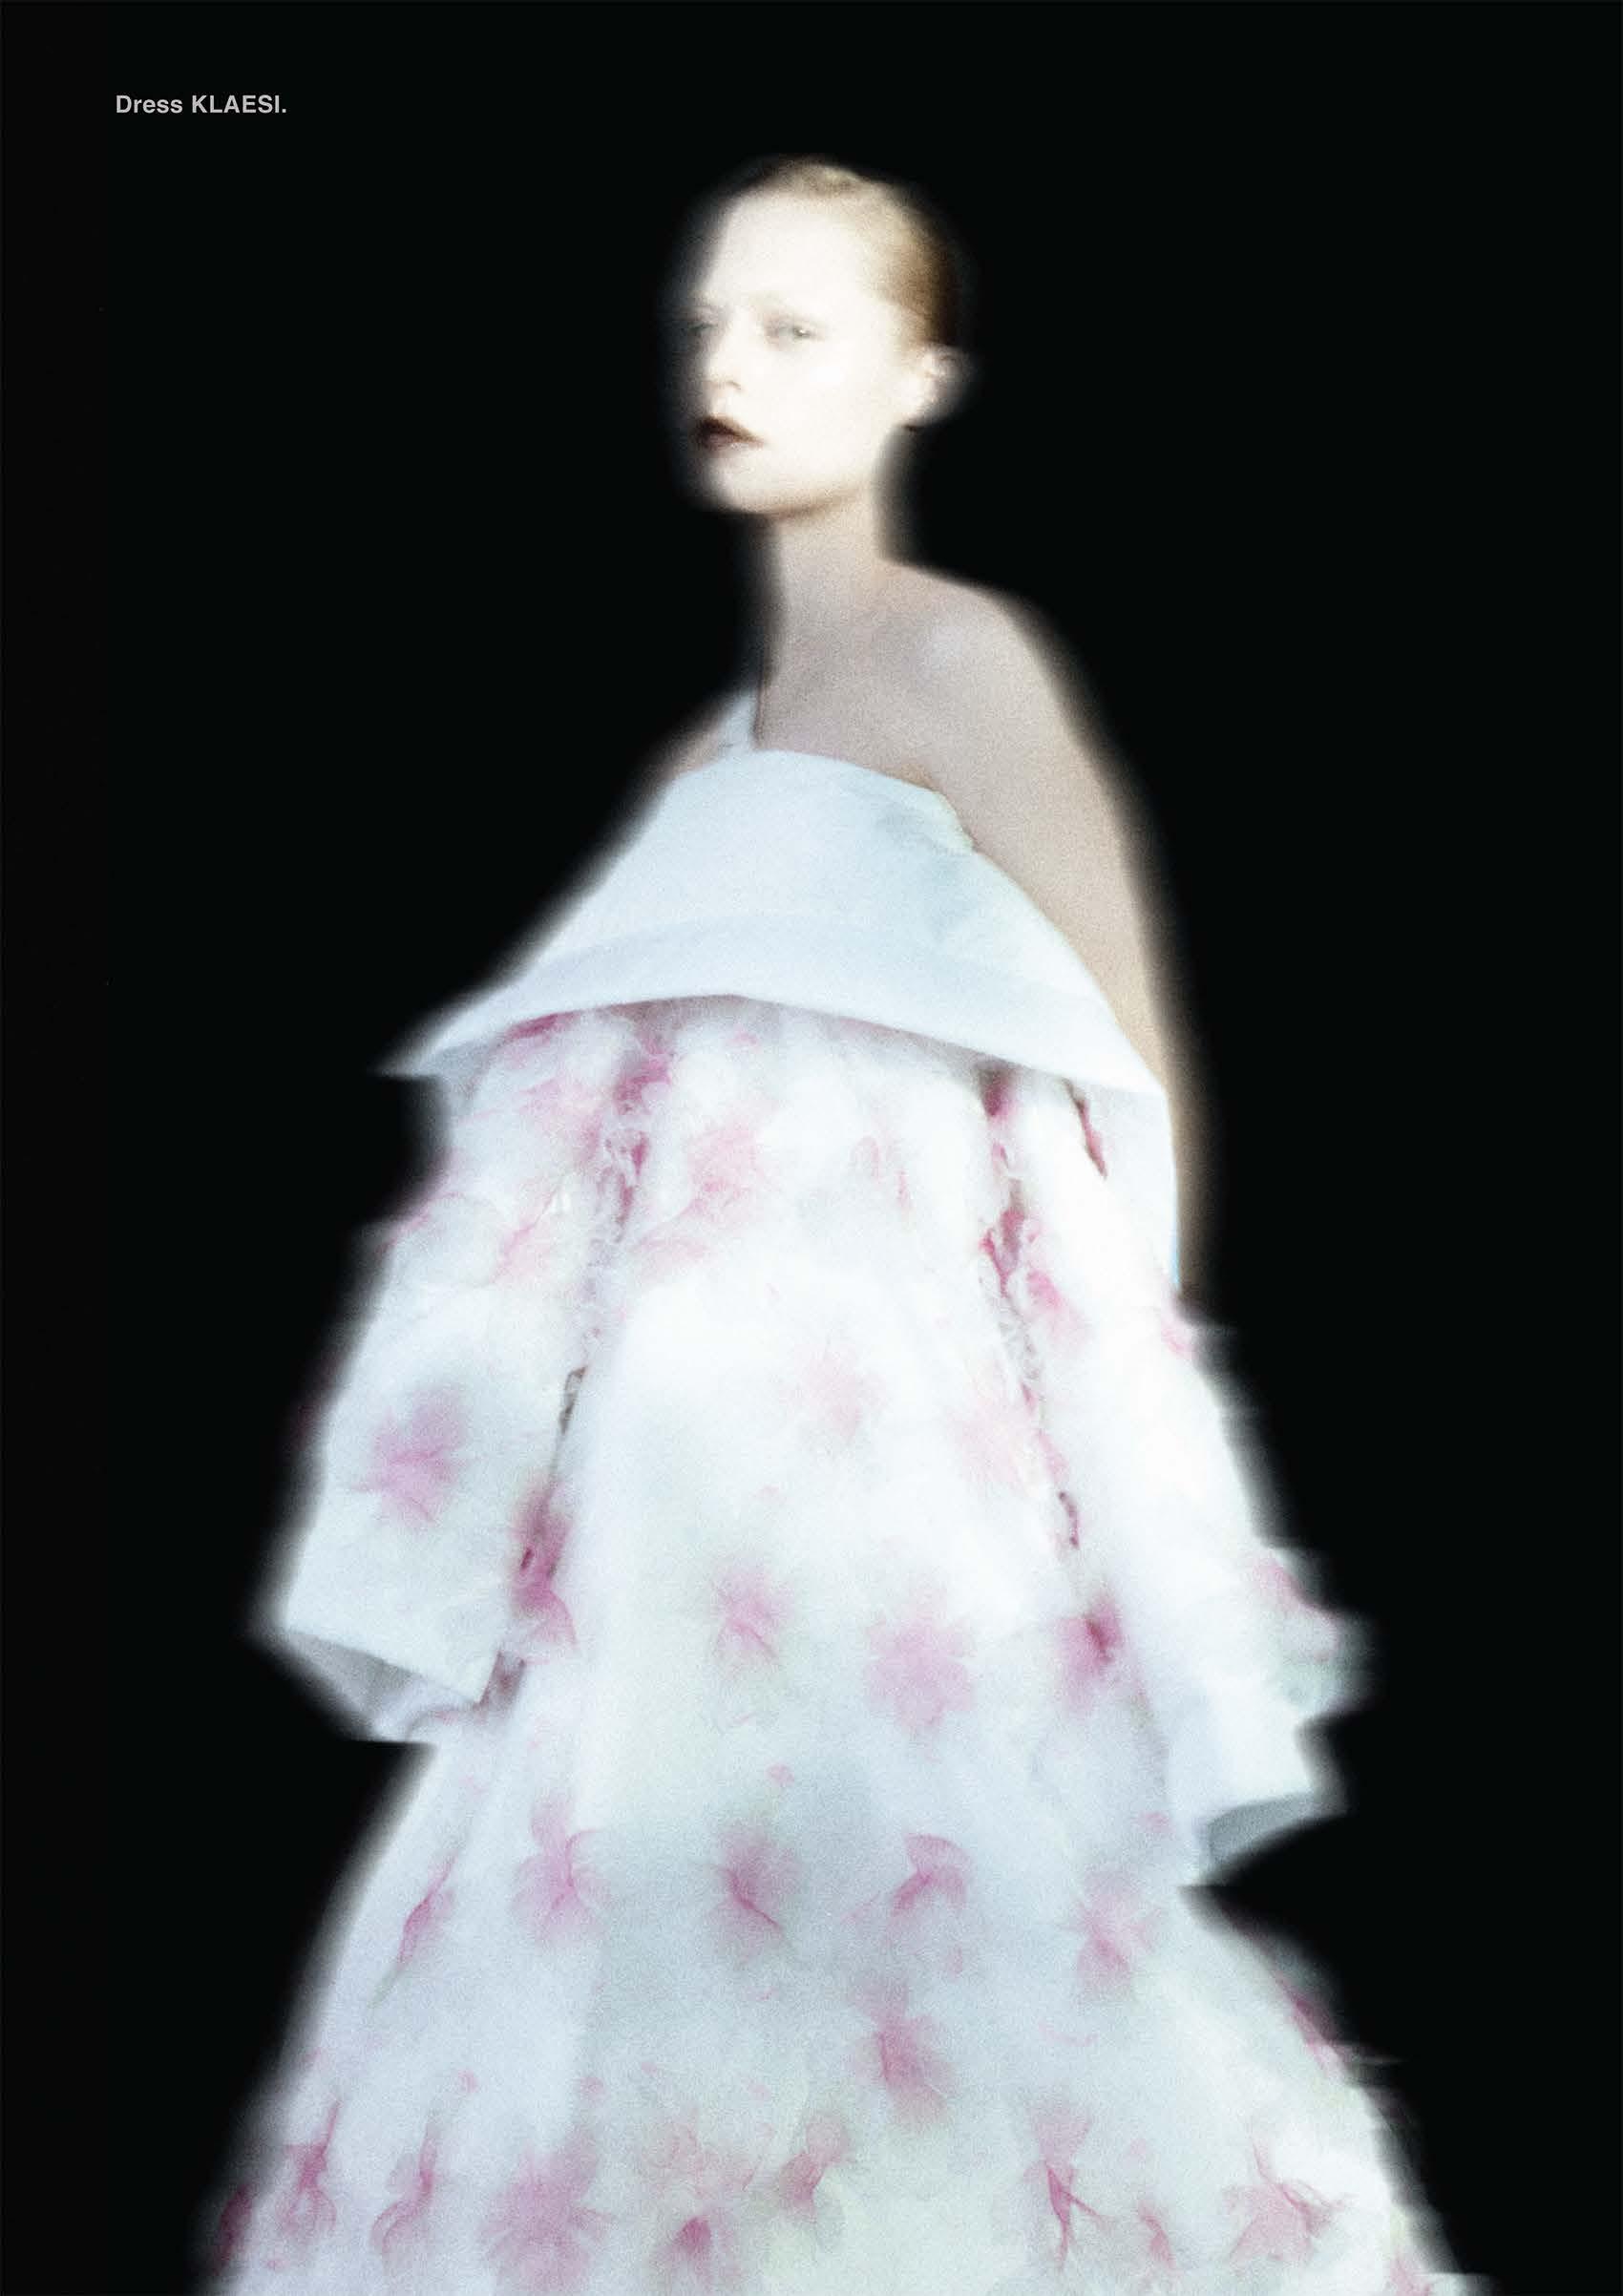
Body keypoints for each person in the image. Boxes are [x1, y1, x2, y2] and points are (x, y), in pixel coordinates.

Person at [194, 157, 1486, 2295]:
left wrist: (1089, 1446)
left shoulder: (963, 664)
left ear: (920, 376)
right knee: (621, 1961)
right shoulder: (703, 769)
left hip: (890, 1486)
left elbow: (1124, 1070)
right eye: (713, 324)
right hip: (648, 1508)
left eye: (795, 328)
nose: (731, 364)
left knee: (935, 1914)